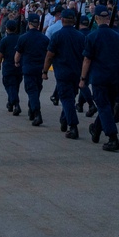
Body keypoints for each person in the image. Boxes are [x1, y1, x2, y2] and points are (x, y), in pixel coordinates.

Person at [81, 6, 119, 151]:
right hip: (114, 76)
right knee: (107, 106)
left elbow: (87, 60)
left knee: (103, 106)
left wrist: (83, 78)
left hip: (99, 77)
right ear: (108, 18)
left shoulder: (92, 37)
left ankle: (113, 138)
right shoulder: (117, 36)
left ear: (95, 18)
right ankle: (96, 128)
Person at [43, 9, 87, 140]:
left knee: (67, 99)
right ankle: (64, 119)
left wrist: (44, 71)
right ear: (74, 21)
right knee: (70, 98)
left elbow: (49, 56)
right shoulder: (81, 36)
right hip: (76, 73)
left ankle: (73, 126)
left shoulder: (57, 36)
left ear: (62, 20)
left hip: (62, 73)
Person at [15, 13, 49, 127]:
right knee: (36, 90)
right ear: (38, 24)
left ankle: (37, 113)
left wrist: (16, 62)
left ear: (29, 23)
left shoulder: (23, 37)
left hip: (28, 68)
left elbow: (18, 54)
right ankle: (31, 109)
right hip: (40, 68)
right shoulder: (44, 38)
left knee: (32, 91)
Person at [0, 19, 24, 116]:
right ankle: (10, 103)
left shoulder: (4, 40)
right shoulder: (20, 38)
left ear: (7, 29)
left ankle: (15, 104)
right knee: (15, 86)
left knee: (9, 85)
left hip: (8, 66)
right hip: (19, 66)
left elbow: (0, 54)